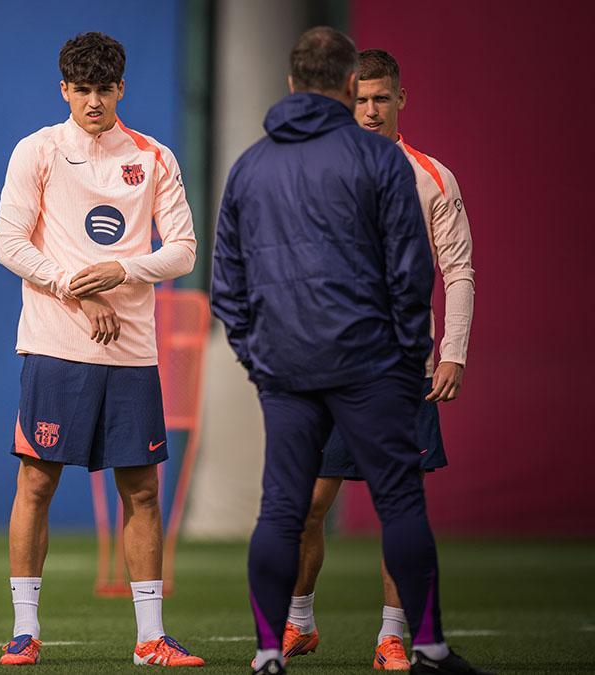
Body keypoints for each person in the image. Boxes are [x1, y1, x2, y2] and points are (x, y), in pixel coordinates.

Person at [211, 26, 488, 675]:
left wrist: (260, 359)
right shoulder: (381, 161)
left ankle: (268, 652)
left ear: (289, 84)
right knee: (399, 502)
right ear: (345, 88)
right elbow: (411, 272)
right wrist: (404, 357)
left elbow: (228, 282)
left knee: (281, 508)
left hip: (286, 371)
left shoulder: (249, 165)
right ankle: (425, 647)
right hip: (370, 367)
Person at [0, 31, 203, 668]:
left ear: (121, 89)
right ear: (64, 89)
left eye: (103, 89)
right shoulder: (37, 150)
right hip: (55, 345)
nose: (92, 101)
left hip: (132, 353)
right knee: (36, 482)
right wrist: (73, 288)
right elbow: (9, 244)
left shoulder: (153, 157)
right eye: (80, 89)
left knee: (141, 491)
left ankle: (150, 638)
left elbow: (185, 250)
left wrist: (123, 270)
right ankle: (26, 631)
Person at [282, 47, 477, 671]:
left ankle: (392, 637)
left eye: (381, 98)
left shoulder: (433, 177)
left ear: (400, 100)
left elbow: (460, 271)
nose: (370, 110)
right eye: (359, 99)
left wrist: (453, 353)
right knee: (310, 502)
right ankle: (299, 623)